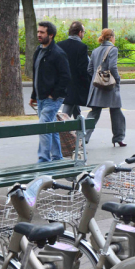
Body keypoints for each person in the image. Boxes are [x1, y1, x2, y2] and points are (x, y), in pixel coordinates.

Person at [29, 21, 71, 163]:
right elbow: (37, 75)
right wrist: (34, 96)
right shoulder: (39, 50)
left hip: (52, 98)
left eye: (42, 32)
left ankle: (43, 160)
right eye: (38, 32)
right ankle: (57, 157)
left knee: (44, 126)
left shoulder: (58, 53)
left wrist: (54, 94)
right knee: (50, 127)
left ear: (51, 35)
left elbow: (66, 76)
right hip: (41, 97)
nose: (39, 35)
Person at [85, 28, 126, 147]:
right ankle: (118, 138)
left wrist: (97, 77)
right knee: (116, 111)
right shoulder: (113, 49)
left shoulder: (95, 51)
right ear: (112, 38)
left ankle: (84, 137)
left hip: (97, 86)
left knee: (94, 113)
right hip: (110, 85)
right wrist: (117, 79)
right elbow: (113, 67)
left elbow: (89, 69)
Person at [57, 21, 91, 118]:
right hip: (75, 85)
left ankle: (81, 131)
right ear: (80, 33)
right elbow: (83, 69)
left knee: (76, 110)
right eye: (83, 32)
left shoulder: (60, 45)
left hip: (62, 83)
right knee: (66, 113)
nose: (83, 34)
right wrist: (87, 84)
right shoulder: (81, 47)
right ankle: (62, 130)